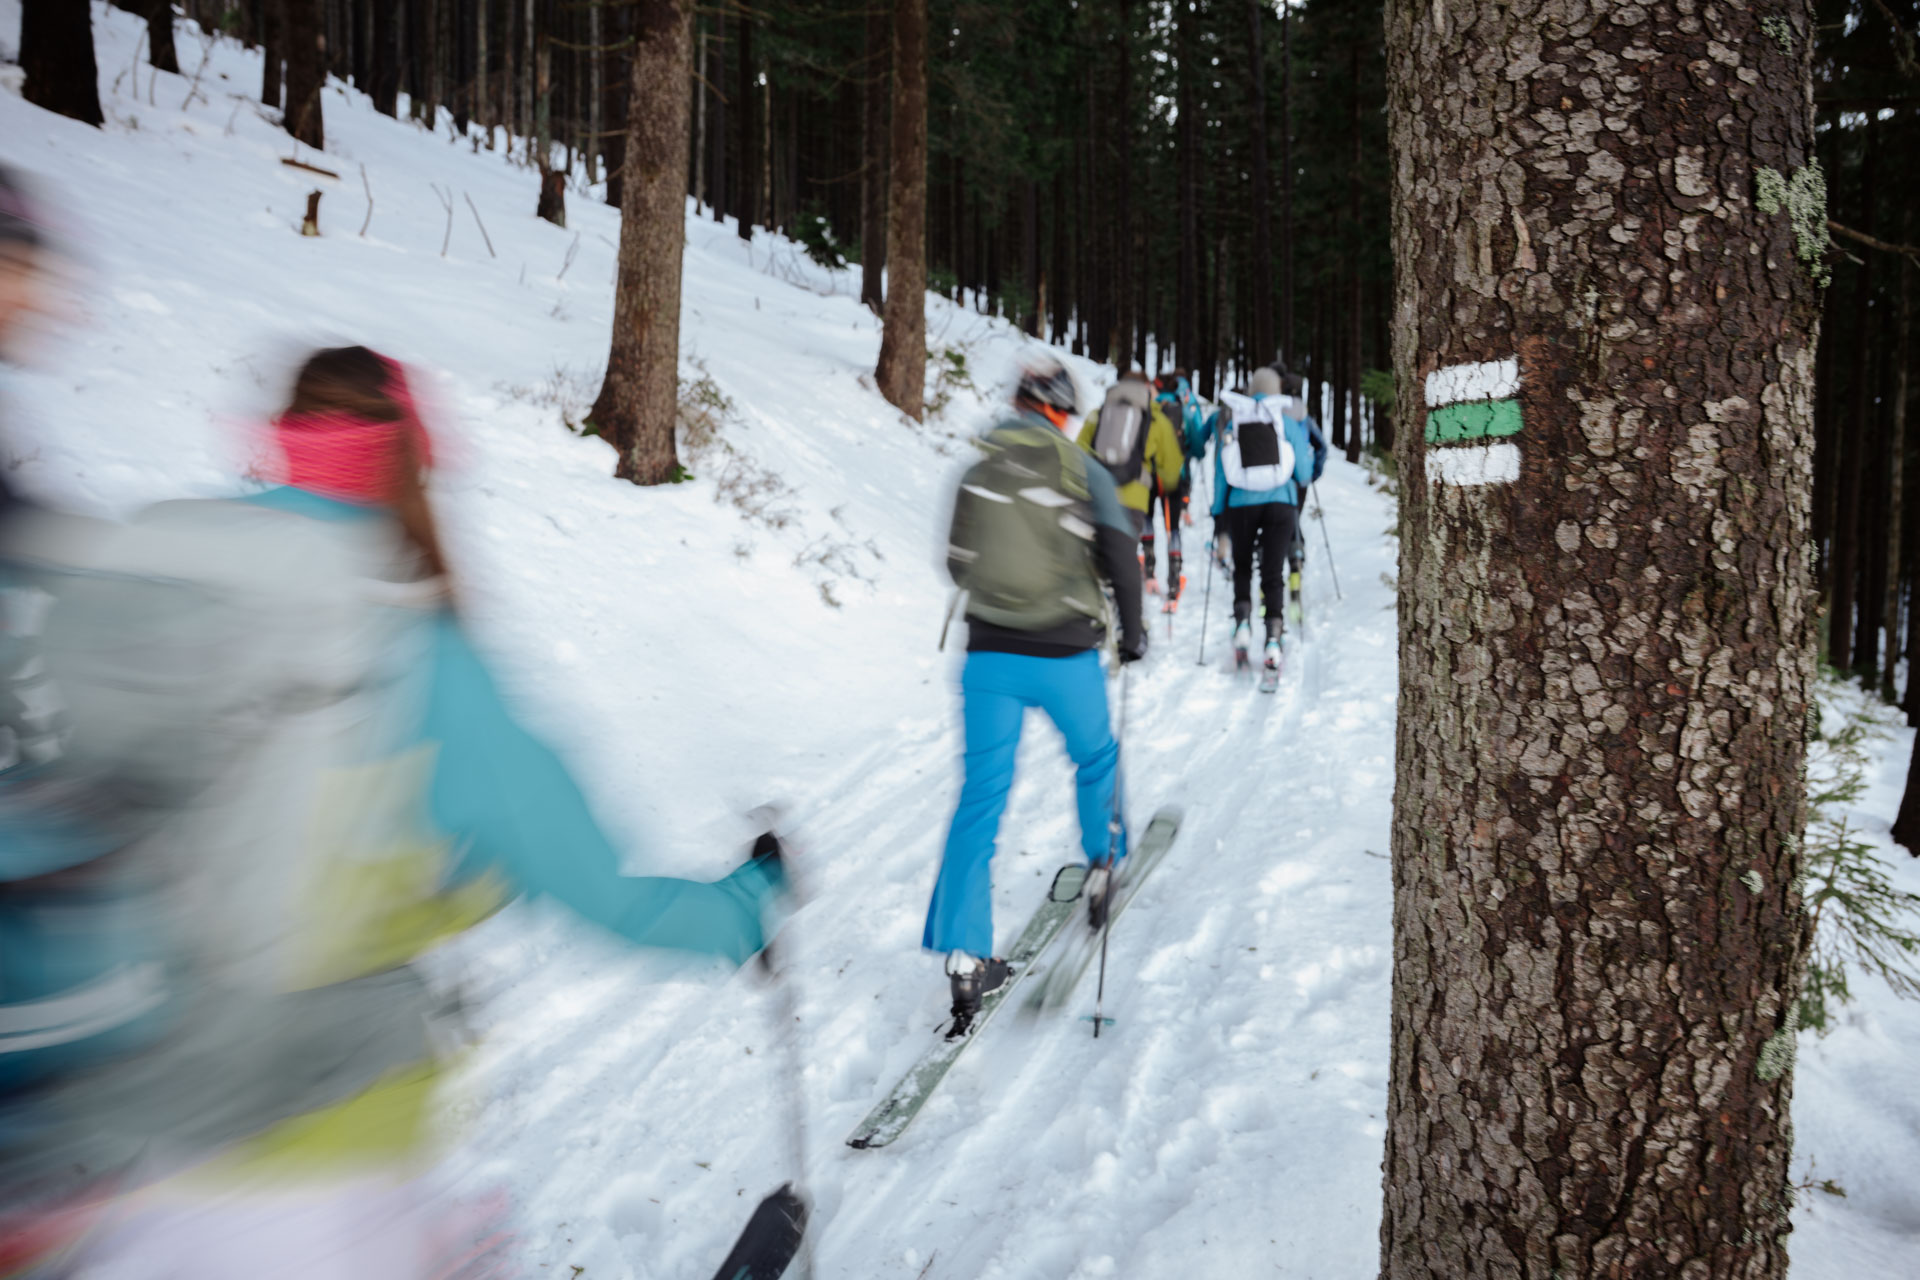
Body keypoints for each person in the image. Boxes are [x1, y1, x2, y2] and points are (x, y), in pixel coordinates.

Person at [0, 342, 791, 1276]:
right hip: (307, 1158)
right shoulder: (405, 655)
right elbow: (603, 895)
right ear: (409, 462)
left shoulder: (139, 598)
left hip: (87, 1172)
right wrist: (746, 907)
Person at [927, 357, 1146, 1034]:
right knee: (1096, 757)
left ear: (1018, 404)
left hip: (988, 656)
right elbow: (1120, 553)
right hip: (1064, 653)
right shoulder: (1083, 470)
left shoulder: (978, 468)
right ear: (1058, 410)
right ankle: (1104, 864)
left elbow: (956, 562)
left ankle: (966, 958)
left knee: (980, 797)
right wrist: (1132, 632)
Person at [1207, 366, 1317, 675]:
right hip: (1281, 505)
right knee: (1272, 571)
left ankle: (1242, 624)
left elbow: (1221, 471)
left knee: (1242, 566)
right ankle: (1273, 638)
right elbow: (1304, 473)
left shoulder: (1235, 420)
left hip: (1241, 504)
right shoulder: (1285, 421)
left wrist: (1218, 510)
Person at [1076, 368, 1183, 594]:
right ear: (1146, 388)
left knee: (1097, 560)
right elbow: (1172, 469)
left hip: (1098, 499)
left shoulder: (1100, 413)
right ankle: (1121, 607)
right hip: (1133, 503)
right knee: (1122, 562)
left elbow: (1078, 455)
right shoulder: (1155, 418)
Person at [1145, 369, 1210, 609]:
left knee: (1148, 519)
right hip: (1174, 475)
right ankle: (1173, 584)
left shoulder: (1150, 409)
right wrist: (1191, 453)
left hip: (1149, 474)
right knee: (1172, 528)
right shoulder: (1184, 410)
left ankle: (1149, 570)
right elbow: (1198, 444)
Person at [1286, 390, 1330, 623]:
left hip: (1278, 479)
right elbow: (1321, 446)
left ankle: (1274, 573)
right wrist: (1313, 473)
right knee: (1293, 520)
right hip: (1301, 479)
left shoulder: (1274, 410)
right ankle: (1296, 563)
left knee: (1280, 523)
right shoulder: (1303, 415)